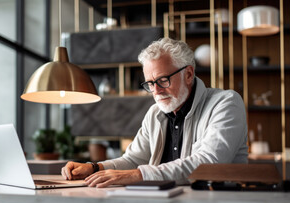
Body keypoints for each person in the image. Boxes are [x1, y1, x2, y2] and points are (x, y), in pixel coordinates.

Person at [62, 38, 248, 187]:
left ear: (189, 74)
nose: (156, 91)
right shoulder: (154, 113)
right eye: (150, 84)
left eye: (163, 80)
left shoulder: (226, 103)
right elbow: (134, 159)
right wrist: (95, 167)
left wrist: (139, 175)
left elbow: (208, 164)